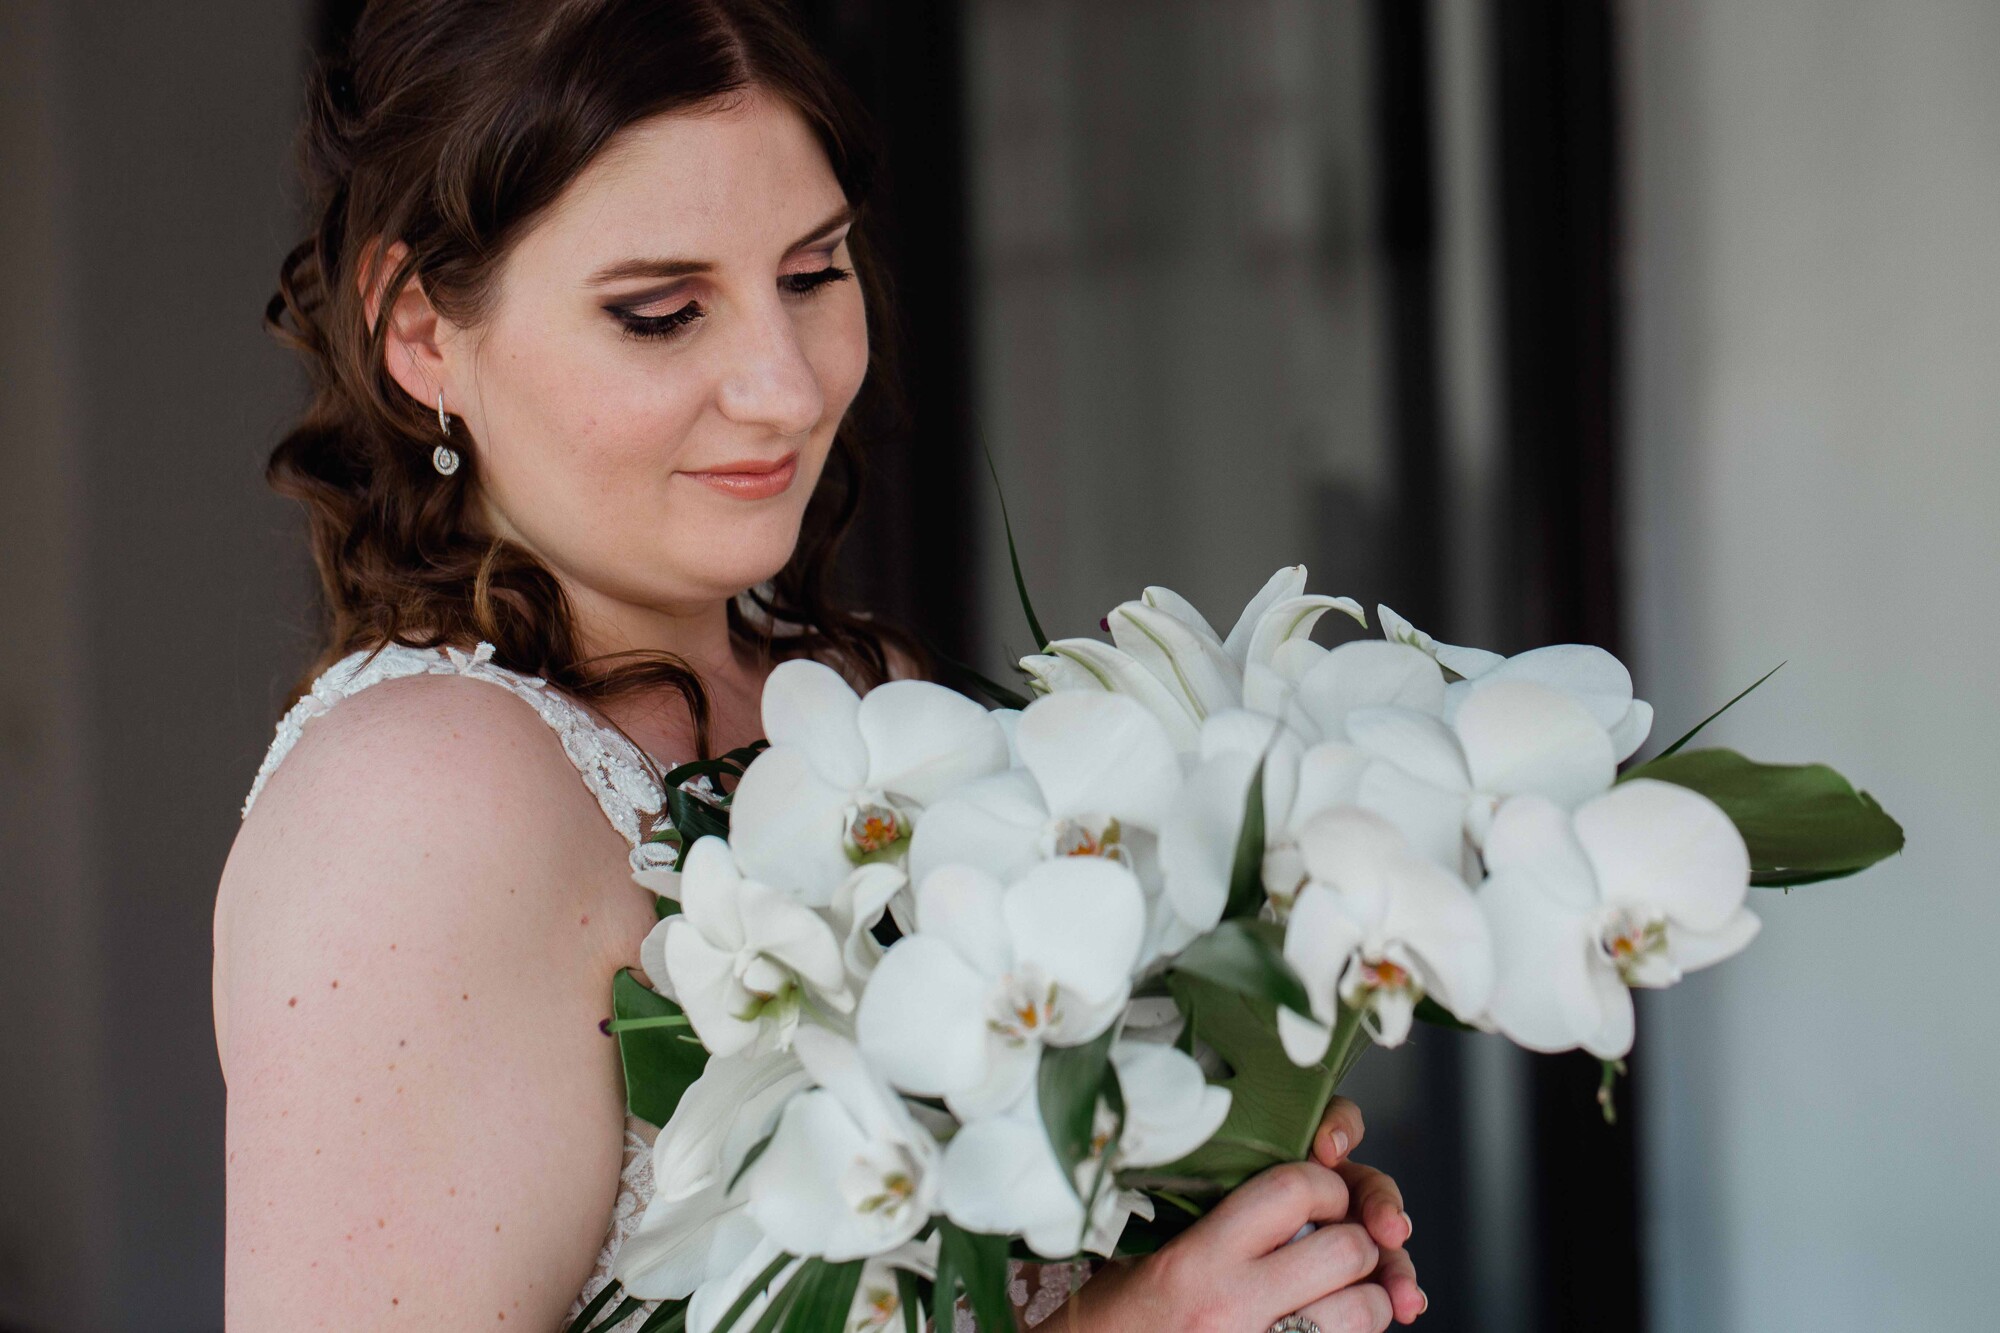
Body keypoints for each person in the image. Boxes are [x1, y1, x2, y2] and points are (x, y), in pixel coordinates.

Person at [213, 2, 1426, 1329]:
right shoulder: (423, 805)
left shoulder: (864, 693)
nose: (787, 387)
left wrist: (1218, 1207)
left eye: (811, 274)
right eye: (664, 312)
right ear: (422, 334)